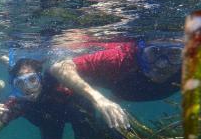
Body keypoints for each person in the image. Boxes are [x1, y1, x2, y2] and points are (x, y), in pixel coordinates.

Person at [0, 58, 126, 139]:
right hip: (49, 124)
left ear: (40, 78)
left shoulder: (52, 81)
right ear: (15, 85)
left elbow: (63, 68)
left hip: (79, 114)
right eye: (20, 83)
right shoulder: (17, 103)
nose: (28, 88)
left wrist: (100, 99)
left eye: (32, 80)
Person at [49, 40, 182, 103]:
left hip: (122, 90)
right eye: (154, 52)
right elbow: (59, 67)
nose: (162, 63)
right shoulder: (120, 59)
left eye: (175, 54)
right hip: (100, 80)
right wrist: (99, 100)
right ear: (140, 51)